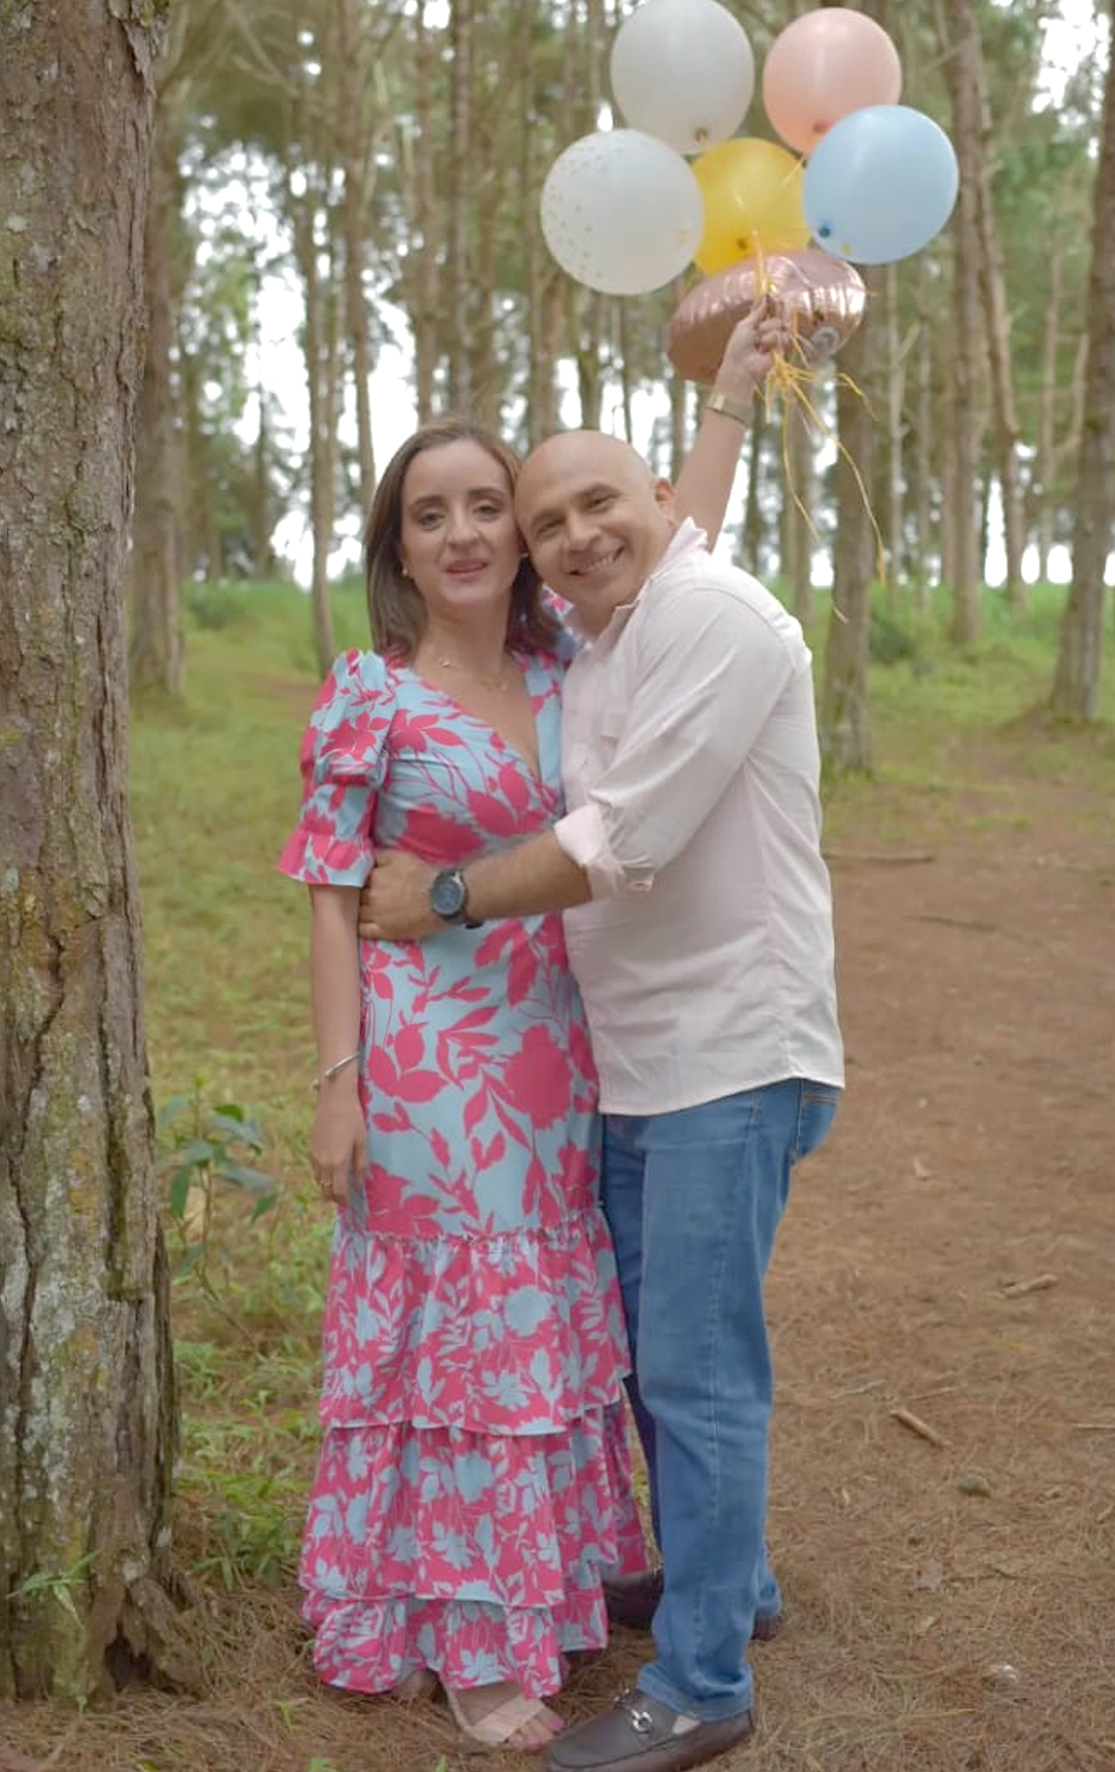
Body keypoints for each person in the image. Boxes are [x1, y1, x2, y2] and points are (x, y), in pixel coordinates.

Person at [278, 317, 776, 1754]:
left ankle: (536, 1588)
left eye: (486, 505)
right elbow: (330, 902)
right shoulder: (370, 695)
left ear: (522, 529)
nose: (463, 534)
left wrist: (731, 400)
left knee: (543, 1334)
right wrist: (336, 1086)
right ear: (400, 545)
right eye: (429, 514)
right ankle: (466, 1641)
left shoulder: (573, 659)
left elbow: (671, 541)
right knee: (455, 1350)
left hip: (565, 1058)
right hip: (428, 1068)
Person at [359, 429, 845, 1772]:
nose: (577, 537)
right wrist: (733, 395)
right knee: (645, 1355)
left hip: (728, 1059)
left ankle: (701, 1684)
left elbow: (621, 840)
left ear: (660, 502)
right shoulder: (606, 632)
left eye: (600, 505)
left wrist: (445, 894)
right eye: (550, 523)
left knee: (695, 1370)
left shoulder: (721, 621)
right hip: (632, 1064)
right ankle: (728, 1585)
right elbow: (648, 531)